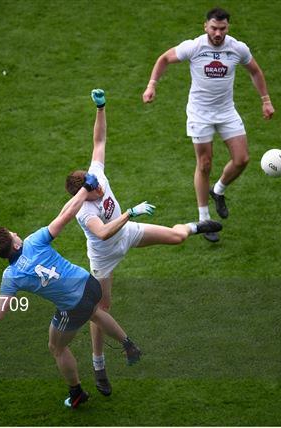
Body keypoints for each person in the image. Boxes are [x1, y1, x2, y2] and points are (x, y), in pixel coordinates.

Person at [65, 89, 222, 396]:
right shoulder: (83, 212)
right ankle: (99, 366)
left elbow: (99, 141)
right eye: (92, 189)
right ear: (81, 195)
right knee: (101, 308)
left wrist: (101, 108)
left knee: (176, 238)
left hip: (128, 233)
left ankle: (196, 225)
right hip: (104, 257)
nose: (98, 189)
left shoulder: (95, 174)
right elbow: (103, 233)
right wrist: (130, 213)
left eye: (96, 184)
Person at [0, 174, 142, 409]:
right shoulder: (35, 241)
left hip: (73, 306)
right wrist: (84, 190)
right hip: (89, 283)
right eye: (14, 234)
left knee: (57, 347)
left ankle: (76, 393)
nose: (17, 234)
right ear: (15, 245)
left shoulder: (10, 277)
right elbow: (66, 215)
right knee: (94, 311)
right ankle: (128, 344)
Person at [142, 7, 275, 242]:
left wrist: (266, 100)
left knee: (242, 159)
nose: (217, 33)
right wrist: (152, 85)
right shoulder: (194, 47)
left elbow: (254, 71)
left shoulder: (237, 48)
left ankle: (219, 190)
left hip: (226, 112)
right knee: (204, 164)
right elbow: (164, 58)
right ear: (205, 26)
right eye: (213, 28)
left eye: (222, 29)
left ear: (228, 28)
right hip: (199, 114)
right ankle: (204, 220)